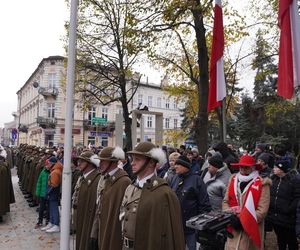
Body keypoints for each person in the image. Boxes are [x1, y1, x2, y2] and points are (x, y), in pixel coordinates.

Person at [120, 141, 185, 250]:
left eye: (138, 159)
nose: (132, 163)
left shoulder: (164, 193)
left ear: (151, 163)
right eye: (133, 159)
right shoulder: (130, 188)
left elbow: (171, 235)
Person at [223, 155, 270, 250]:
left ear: (253, 167)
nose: (243, 169)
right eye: (241, 167)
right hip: (233, 227)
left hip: (251, 228)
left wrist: (243, 221)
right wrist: (230, 216)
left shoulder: (262, 184)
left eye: (246, 167)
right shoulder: (233, 180)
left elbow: (262, 210)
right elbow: (225, 202)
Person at [89, 147, 131, 250]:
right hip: (103, 229)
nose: (100, 163)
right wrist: (95, 231)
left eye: (103, 161)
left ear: (112, 162)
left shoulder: (124, 181)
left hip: (114, 233)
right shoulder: (105, 178)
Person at [171, 155, 211, 250]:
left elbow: (204, 204)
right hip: (177, 226)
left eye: (178, 164)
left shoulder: (197, 180)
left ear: (185, 166)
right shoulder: (175, 178)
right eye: (175, 164)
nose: (175, 166)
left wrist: (199, 225)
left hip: (192, 229)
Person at [267, 160, 300, 250]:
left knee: (291, 240)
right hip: (276, 217)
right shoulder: (273, 179)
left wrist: (289, 209)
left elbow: (297, 197)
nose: (273, 169)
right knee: (281, 239)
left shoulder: (293, 181)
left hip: (288, 218)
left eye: (276, 167)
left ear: (282, 169)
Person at [72, 151, 100, 250]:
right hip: (81, 219)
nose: (78, 163)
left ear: (90, 163)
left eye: (82, 161)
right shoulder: (82, 177)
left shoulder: (97, 179)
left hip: (89, 222)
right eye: (78, 161)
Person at [41, 156, 62, 233]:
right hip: (53, 193)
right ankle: (52, 222)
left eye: (49, 163)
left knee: (54, 209)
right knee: (52, 208)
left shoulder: (55, 172)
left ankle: (56, 224)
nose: (48, 164)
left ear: (52, 163)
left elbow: (54, 185)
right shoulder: (54, 170)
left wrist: (48, 192)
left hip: (53, 193)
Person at [34, 159, 50, 228]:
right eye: (47, 165)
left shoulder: (52, 172)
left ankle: (47, 221)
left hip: (49, 194)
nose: (47, 166)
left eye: (49, 165)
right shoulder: (42, 172)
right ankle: (40, 221)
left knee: (48, 209)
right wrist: (38, 192)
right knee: (41, 208)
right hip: (43, 194)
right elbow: (39, 182)